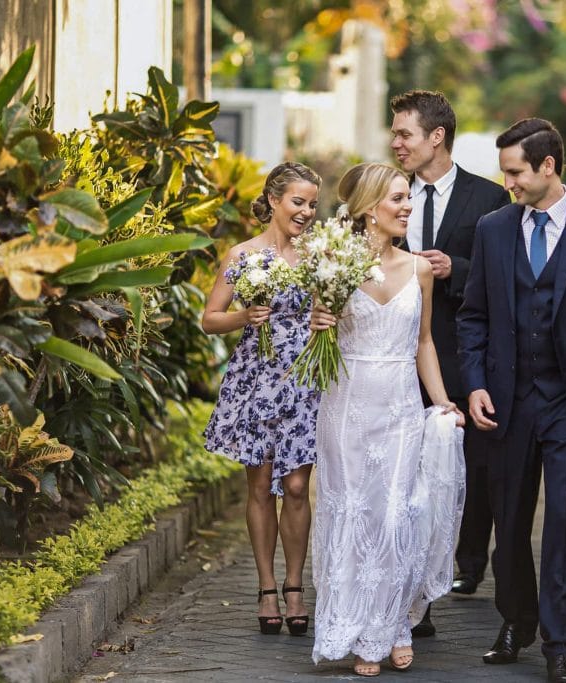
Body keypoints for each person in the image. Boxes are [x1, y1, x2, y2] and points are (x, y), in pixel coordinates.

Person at [456, 118, 566, 683]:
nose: (507, 182)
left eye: (515, 172)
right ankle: (517, 619)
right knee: (507, 522)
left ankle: (562, 646)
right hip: (506, 402)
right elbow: (474, 315)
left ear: (548, 166)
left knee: (562, 522)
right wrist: (476, 382)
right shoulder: (493, 228)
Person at [309, 162, 466, 677]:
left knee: (398, 515)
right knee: (351, 514)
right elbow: (317, 345)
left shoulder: (420, 268)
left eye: (408, 198)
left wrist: (442, 402)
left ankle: (392, 625)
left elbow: (424, 343)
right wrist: (319, 324)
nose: (406, 207)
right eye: (396, 198)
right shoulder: (333, 264)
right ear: (367, 208)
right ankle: (351, 625)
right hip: (345, 404)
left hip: (400, 407)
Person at [389, 90, 510, 630]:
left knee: (471, 473)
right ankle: (418, 603)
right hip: (396, 359)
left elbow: (504, 278)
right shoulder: (388, 195)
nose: (396, 144)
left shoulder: (489, 198)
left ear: (436, 136)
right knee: (411, 479)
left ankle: (468, 562)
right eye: (394, 134)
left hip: (463, 356)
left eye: (404, 134)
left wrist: (453, 270)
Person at [202, 162, 321, 637]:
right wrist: (245, 316)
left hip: (305, 381)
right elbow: (211, 318)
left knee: (295, 487)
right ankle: (266, 586)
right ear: (273, 201)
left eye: (312, 204)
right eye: (298, 202)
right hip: (258, 380)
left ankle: (295, 586)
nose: (306, 212)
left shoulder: (320, 256)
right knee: (260, 486)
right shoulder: (244, 254)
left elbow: (334, 308)